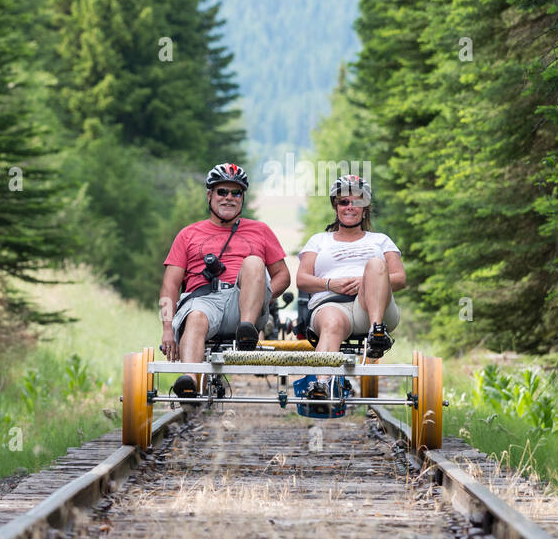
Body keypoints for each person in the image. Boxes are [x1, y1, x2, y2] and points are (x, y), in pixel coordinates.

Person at [160, 163, 291, 399]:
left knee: (253, 262)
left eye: (236, 193)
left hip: (243, 307)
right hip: (202, 300)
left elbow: (283, 275)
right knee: (196, 317)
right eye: (222, 192)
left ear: (242, 198)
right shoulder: (188, 234)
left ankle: (247, 332)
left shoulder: (260, 230)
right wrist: (167, 329)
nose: (229, 198)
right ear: (210, 195)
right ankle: (190, 381)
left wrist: (261, 296)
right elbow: (170, 285)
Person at [296, 175, 406, 399]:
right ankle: (321, 385)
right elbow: (302, 279)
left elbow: (400, 278)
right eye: (344, 202)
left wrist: (366, 281)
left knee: (375, 264)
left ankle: (377, 333)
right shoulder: (319, 241)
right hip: (331, 305)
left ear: (365, 208)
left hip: (373, 307)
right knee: (332, 322)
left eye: (357, 202)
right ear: (335, 207)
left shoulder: (381, 240)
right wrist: (329, 283)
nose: (350, 207)